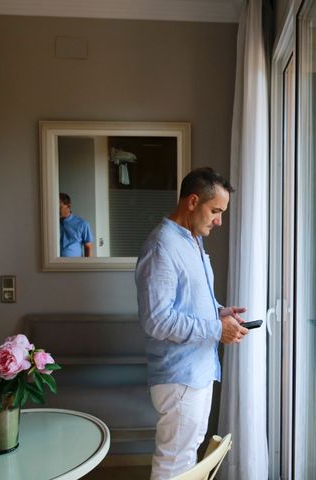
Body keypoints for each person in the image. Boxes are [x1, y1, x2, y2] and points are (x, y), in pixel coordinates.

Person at [135, 167, 249, 480]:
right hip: (180, 377)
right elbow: (157, 320)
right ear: (193, 201)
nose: (219, 221)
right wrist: (216, 329)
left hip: (196, 370)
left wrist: (220, 312)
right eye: (215, 211)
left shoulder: (192, 242)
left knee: (186, 458)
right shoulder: (163, 247)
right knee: (175, 463)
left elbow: (192, 299)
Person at [59, 192, 94, 257]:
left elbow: (88, 247)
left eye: (60, 207)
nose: (57, 210)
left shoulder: (82, 224)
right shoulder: (52, 224)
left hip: (75, 265)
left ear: (68, 206)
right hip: (54, 264)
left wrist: (86, 266)